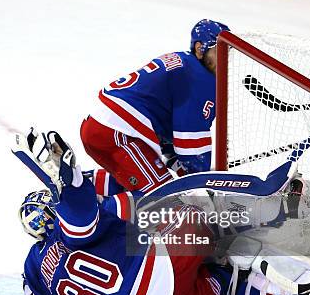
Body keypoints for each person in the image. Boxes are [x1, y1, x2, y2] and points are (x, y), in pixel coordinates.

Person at [15, 129, 310, 295]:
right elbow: (82, 217)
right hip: (162, 269)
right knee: (192, 214)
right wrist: (71, 182)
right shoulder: (71, 228)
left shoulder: (36, 269)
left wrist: (36, 292)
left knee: (218, 280)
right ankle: (275, 210)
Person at [80, 19, 229, 194]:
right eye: (220, 51)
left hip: (102, 127)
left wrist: (191, 174)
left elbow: (172, 143)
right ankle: (77, 205)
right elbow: (190, 146)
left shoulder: (185, 64)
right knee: (164, 198)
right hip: (119, 131)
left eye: (229, 53)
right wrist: (204, 182)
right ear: (199, 49)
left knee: (136, 180)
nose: (226, 59)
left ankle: (75, 186)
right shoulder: (201, 78)